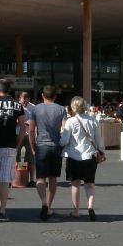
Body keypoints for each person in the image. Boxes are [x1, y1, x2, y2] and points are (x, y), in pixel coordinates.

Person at [0, 79, 26, 221]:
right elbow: (23, 127)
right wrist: (18, 143)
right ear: (9, 90)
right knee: (5, 179)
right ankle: (3, 210)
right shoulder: (17, 105)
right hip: (10, 144)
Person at [60, 96, 104, 221]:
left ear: (73, 108)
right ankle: (90, 206)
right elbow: (98, 140)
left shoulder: (71, 121)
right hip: (90, 156)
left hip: (74, 156)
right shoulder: (93, 120)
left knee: (75, 185)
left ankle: (76, 211)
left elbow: (64, 141)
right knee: (90, 184)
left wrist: (60, 142)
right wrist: (101, 151)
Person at [28, 85, 67, 220]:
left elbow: (31, 130)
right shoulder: (61, 109)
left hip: (41, 145)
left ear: (42, 96)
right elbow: (65, 129)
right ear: (55, 96)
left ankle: (43, 202)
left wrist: (33, 145)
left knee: (40, 178)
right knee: (53, 178)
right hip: (56, 145)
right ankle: (49, 206)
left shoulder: (35, 109)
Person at [16, 91, 36, 187]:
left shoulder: (33, 108)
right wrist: (22, 122)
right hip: (18, 133)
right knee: (18, 156)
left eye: (24, 100)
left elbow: (34, 121)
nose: (22, 102)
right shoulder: (16, 106)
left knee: (30, 157)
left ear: (28, 99)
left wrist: (23, 122)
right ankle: (20, 178)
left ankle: (31, 179)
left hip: (29, 134)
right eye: (21, 99)